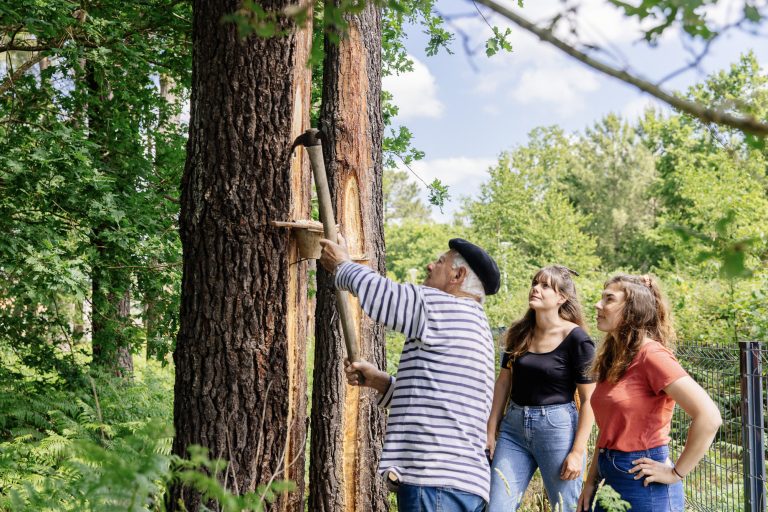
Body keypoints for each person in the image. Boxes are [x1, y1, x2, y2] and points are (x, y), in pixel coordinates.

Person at [318, 235, 500, 512]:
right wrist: (382, 383)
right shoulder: (476, 324)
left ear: (458, 276)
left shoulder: (440, 306)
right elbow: (440, 398)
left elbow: (384, 296)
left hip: (434, 479)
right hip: (463, 483)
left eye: (440, 262)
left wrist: (342, 264)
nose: (430, 265)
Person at [578, 274, 722, 512]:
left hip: (642, 480)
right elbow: (608, 431)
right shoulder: (614, 357)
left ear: (632, 310)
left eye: (609, 299)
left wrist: (676, 473)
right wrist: (590, 481)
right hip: (609, 475)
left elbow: (709, 416)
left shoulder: (652, 355)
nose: (598, 305)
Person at [487, 266, 596, 512]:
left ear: (562, 297)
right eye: (535, 283)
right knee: (496, 507)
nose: (536, 288)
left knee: (566, 506)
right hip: (513, 430)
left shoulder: (577, 339)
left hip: (557, 429)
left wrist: (577, 452)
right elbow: (503, 382)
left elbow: (590, 400)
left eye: (545, 285)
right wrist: (491, 428)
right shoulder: (518, 333)